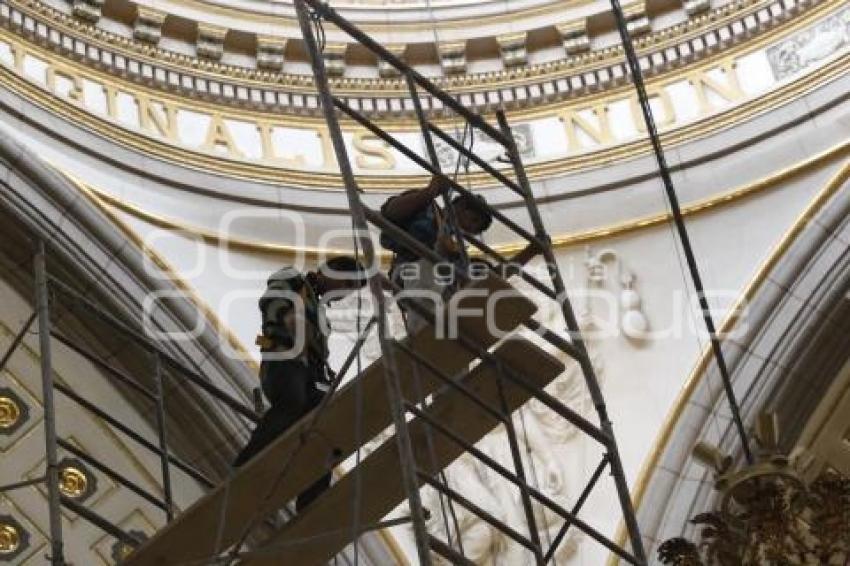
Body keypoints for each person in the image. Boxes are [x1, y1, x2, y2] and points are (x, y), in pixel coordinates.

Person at [233, 256, 367, 511]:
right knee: (292, 401)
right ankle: (246, 468)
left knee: (326, 430)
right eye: (347, 283)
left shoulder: (321, 314)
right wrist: (291, 318)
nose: (345, 292)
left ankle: (312, 502)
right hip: (286, 356)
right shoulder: (293, 279)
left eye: (352, 289)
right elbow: (276, 300)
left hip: (312, 373)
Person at [380, 175, 493, 330]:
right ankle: (426, 333)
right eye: (473, 220)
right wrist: (429, 193)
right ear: (461, 206)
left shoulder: (455, 249)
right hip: (411, 274)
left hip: (440, 289)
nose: (469, 229)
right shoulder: (427, 207)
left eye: (474, 230)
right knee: (427, 272)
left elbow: (474, 282)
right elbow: (391, 213)